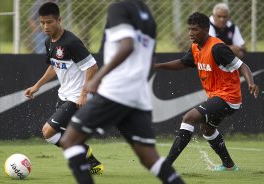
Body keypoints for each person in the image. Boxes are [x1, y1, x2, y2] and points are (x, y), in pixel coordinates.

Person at [59, 0, 184, 183]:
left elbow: (127, 45)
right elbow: (149, 60)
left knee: (69, 140)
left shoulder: (119, 8)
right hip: (138, 95)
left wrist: (98, 77)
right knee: (150, 158)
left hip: (117, 90)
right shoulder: (147, 15)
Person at [154, 12, 259, 171]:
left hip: (228, 97)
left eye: (195, 29)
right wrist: (158, 66)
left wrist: (251, 82)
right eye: (189, 29)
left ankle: (166, 165)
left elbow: (242, 66)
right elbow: (183, 63)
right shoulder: (196, 47)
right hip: (216, 96)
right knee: (207, 129)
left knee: (188, 118)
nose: (190, 33)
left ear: (206, 29)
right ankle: (229, 165)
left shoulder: (218, 48)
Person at [24, 2, 104, 175]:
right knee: (63, 137)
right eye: (42, 22)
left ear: (59, 20)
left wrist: (84, 95)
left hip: (76, 98)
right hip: (64, 95)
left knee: (48, 132)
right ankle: (91, 161)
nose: (45, 26)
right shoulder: (48, 42)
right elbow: (54, 66)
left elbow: (92, 67)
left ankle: (85, 154)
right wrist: (37, 86)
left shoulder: (71, 42)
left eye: (49, 22)